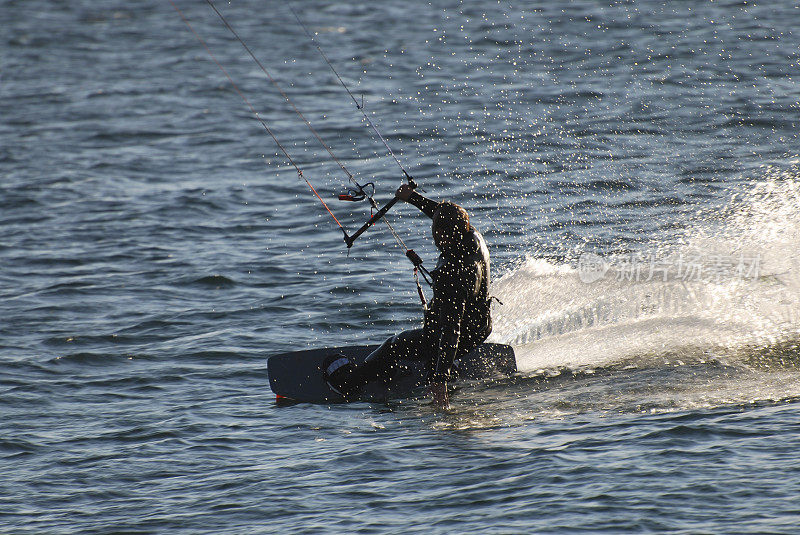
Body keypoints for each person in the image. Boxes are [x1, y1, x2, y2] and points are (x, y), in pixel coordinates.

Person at [323, 184, 493, 407]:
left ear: (440, 234)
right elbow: (443, 215)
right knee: (435, 327)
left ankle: (349, 383)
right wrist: (413, 197)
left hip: (457, 336)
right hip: (481, 327)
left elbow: (452, 330)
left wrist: (439, 382)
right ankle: (445, 365)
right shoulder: (471, 235)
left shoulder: (453, 274)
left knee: (393, 346)